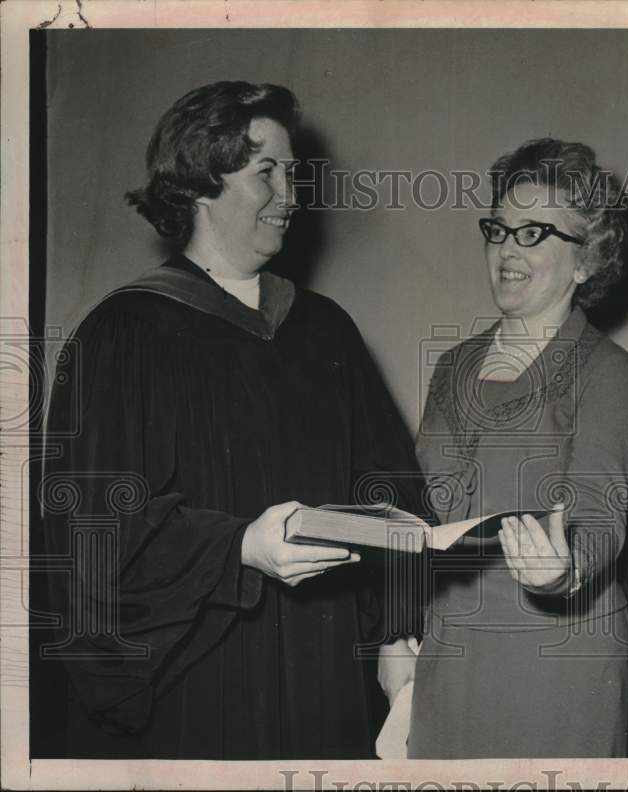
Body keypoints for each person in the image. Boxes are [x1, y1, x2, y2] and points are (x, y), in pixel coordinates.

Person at [39, 81, 422, 759]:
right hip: (203, 682)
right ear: (198, 186)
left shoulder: (325, 332)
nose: (292, 196)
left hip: (324, 674)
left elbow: (388, 487)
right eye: (265, 173)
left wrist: (395, 633)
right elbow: (92, 531)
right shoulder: (126, 333)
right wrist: (239, 546)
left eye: (293, 172)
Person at [378, 139, 628, 758]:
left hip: (558, 652)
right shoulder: (454, 365)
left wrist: (564, 568)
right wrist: (394, 630)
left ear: (586, 261)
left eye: (534, 233)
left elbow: (601, 509)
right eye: (499, 228)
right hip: (451, 651)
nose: (505, 248)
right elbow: (413, 516)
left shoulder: (606, 370)